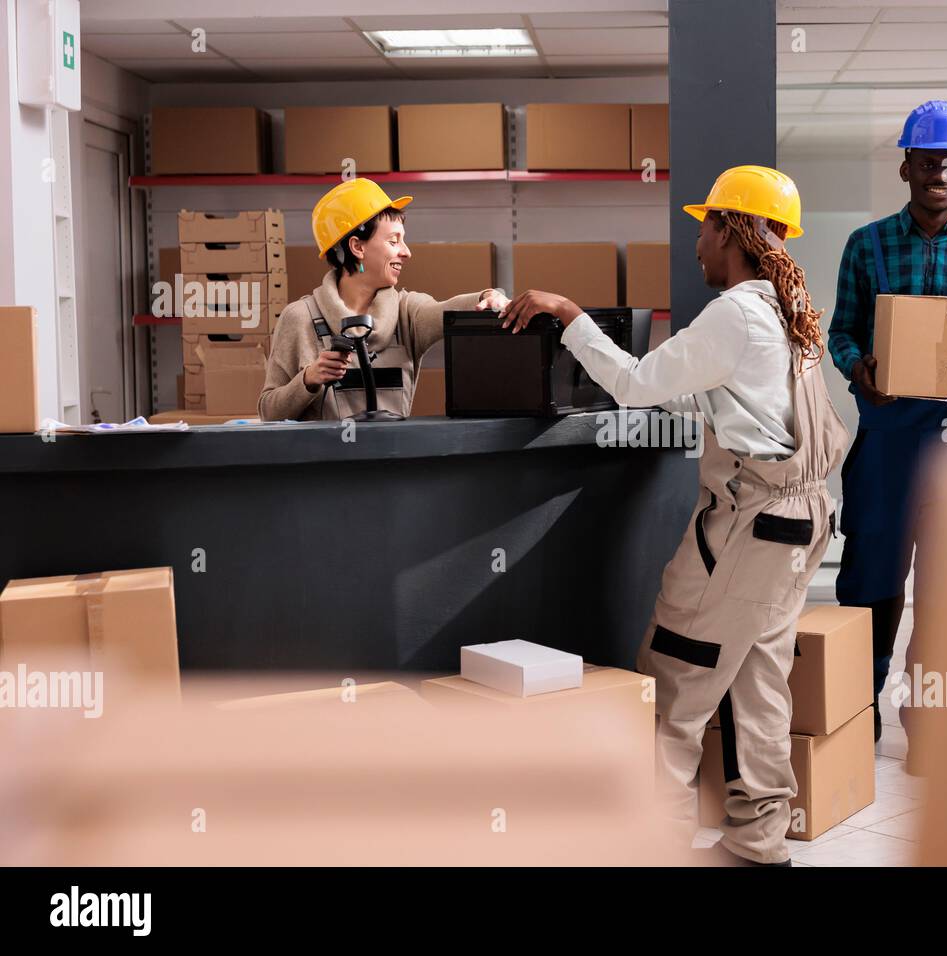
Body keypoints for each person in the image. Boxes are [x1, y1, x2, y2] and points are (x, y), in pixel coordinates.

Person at [499, 165, 850, 867]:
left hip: (751, 527)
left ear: (734, 230)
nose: (698, 242)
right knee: (756, 683)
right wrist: (676, 394)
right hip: (801, 525)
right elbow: (738, 402)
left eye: (705, 225)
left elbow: (633, 385)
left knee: (673, 680)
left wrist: (572, 319)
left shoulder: (736, 313)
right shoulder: (788, 311)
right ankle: (758, 842)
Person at [827, 100, 947, 753]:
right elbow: (841, 333)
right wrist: (861, 368)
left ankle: (931, 724)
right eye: (930, 158)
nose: (942, 170)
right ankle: (856, 713)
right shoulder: (867, 245)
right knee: (870, 584)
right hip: (889, 439)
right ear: (906, 165)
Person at [259, 178, 508, 421]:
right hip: (326, 462)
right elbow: (269, 412)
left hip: (392, 461)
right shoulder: (299, 318)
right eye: (393, 241)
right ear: (358, 247)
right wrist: (308, 379)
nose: (406, 252)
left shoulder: (407, 312)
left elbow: (446, 311)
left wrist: (487, 296)